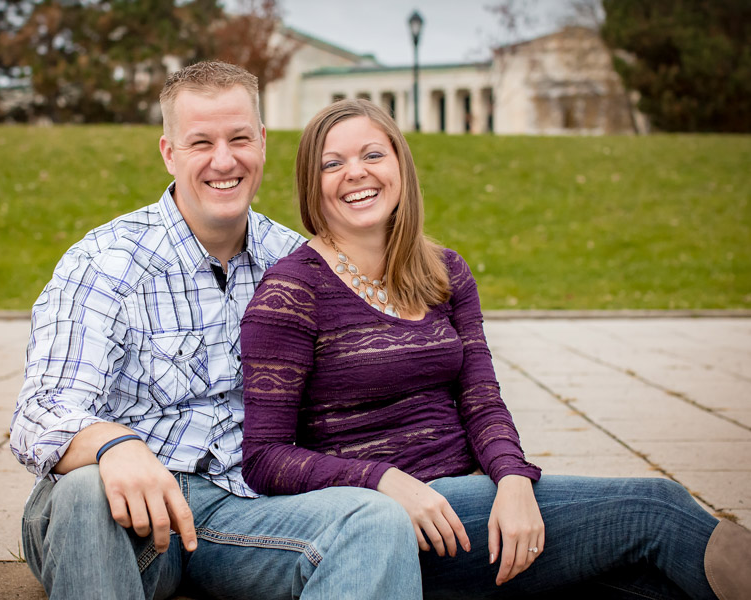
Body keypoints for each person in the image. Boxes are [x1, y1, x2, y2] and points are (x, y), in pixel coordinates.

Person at [239, 98, 751, 599]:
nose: (356, 172)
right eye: (333, 163)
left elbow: (482, 398)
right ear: (312, 183)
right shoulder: (291, 293)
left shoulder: (443, 271)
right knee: (656, 509)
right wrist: (382, 480)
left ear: (400, 164)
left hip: (476, 497)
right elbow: (264, 457)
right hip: (402, 525)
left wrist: (512, 479)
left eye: (373, 154)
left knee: (651, 580)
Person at [10, 63, 425, 600]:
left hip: (239, 511)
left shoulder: (295, 263)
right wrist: (116, 445)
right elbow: (40, 411)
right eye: (200, 142)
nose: (223, 160)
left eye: (239, 139)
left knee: (375, 519)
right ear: (168, 152)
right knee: (87, 489)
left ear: (263, 144)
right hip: (116, 511)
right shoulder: (105, 261)